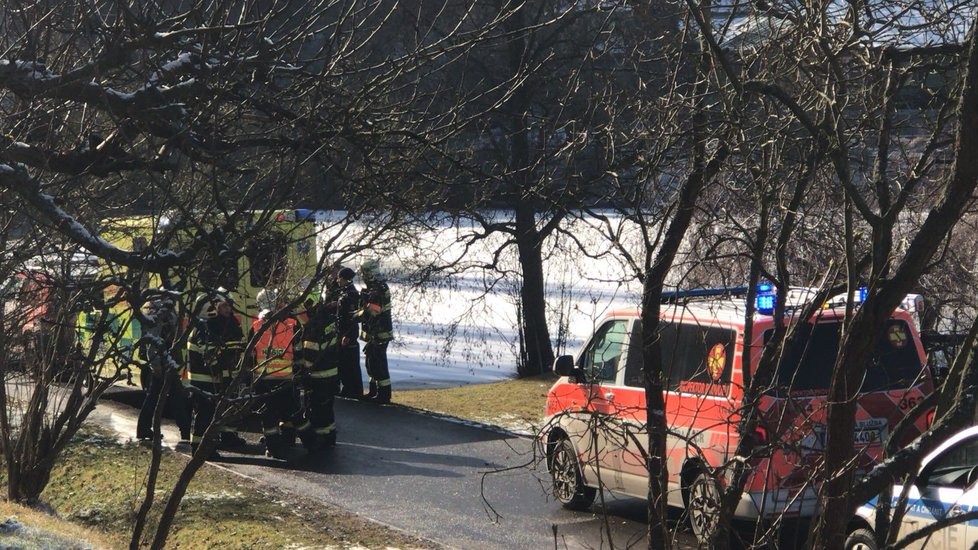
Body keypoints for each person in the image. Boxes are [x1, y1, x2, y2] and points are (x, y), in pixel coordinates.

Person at [186, 289, 245, 459]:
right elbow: (210, 356)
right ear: (214, 307)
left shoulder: (228, 324)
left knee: (221, 411)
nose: (228, 309)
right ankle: (200, 448)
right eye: (224, 306)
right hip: (204, 379)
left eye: (229, 305)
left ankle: (221, 440)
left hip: (223, 377)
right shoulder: (205, 328)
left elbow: (235, 348)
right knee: (205, 414)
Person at [251, 294, 302, 458]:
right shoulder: (291, 324)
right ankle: (291, 439)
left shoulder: (257, 327)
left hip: (264, 379)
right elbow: (298, 349)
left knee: (269, 417)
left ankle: (273, 447)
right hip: (286, 378)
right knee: (290, 412)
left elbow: (249, 354)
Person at [136, 297, 191, 444]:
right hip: (162, 362)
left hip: (166, 362)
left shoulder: (165, 315)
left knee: (156, 397)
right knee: (174, 397)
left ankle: (144, 429)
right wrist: (156, 366)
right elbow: (152, 345)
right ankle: (185, 431)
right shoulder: (158, 318)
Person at [295, 293, 339, 452]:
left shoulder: (313, 326)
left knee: (316, 408)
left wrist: (302, 371)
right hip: (331, 371)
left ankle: (321, 439)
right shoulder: (328, 319)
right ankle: (330, 436)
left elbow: (310, 357)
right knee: (327, 407)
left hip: (318, 375)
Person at [357, 259, 394, 404]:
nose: (363, 277)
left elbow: (373, 312)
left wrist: (356, 315)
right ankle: (374, 391)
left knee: (378, 363)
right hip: (374, 333)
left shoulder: (378, 289)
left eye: (364, 274)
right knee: (371, 362)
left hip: (380, 332)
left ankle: (383, 395)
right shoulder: (374, 288)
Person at [332, 267, 363, 399]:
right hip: (341, 332)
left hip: (348, 334)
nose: (337, 280)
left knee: (350, 364)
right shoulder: (344, 292)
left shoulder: (351, 295)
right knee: (343, 363)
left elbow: (351, 318)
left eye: (339, 278)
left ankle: (353, 390)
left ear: (345, 279)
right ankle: (347, 388)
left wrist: (348, 335)